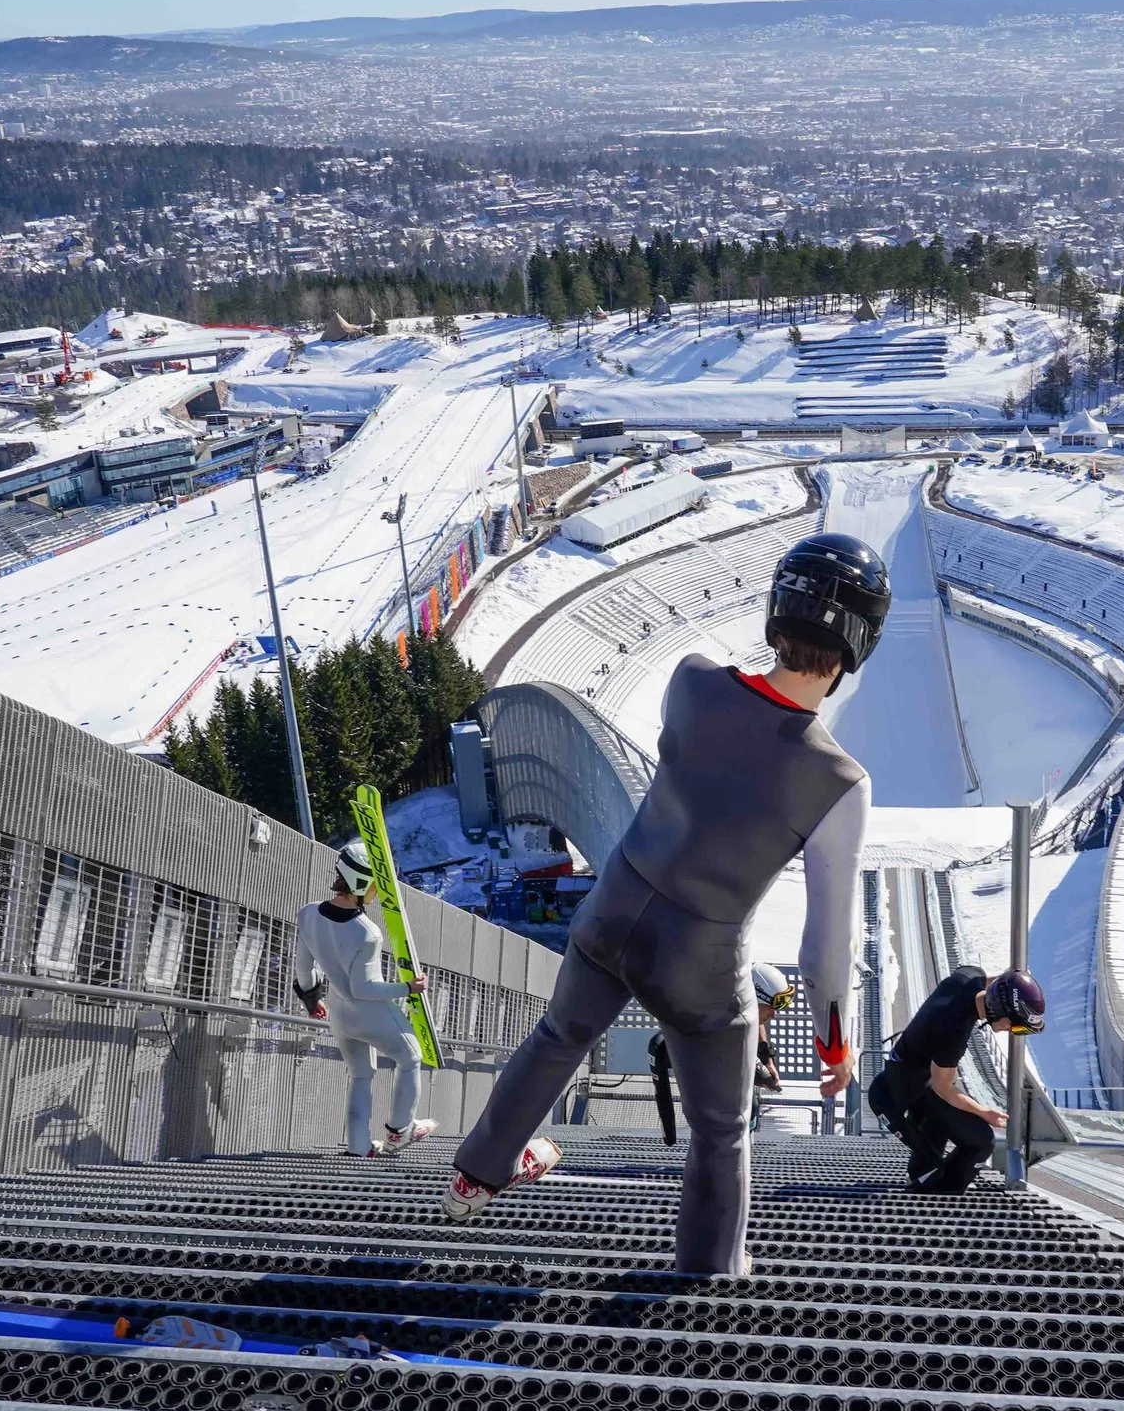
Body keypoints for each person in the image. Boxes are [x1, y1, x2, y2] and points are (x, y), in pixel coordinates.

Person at [445, 533, 889, 1273]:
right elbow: (825, 946)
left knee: (559, 1034)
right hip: (703, 959)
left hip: (614, 908)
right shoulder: (843, 781)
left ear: (779, 610)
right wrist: (835, 1044)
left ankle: (475, 1175)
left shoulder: (691, 677)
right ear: (858, 647)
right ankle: (708, 1274)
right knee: (721, 1130)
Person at [296, 839, 436, 1159]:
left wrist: (312, 1001)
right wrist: (408, 988)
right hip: (367, 1011)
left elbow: (303, 969)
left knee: (360, 1075)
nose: (377, 894)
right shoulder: (366, 931)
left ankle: (358, 1147)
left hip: (338, 1014)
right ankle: (401, 1130)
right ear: (362, 882)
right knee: (411, 1057)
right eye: (375, 886)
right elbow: (365, 988)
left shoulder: (307, 915)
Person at [872, 966, 1047, 1193]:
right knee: (981, 1141)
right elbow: (943, 1088)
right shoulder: (954, 1028)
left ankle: (923, 1179)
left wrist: (1016, 981)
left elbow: (995, 982)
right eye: (1014, 1025)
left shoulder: (969, 978)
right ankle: (943, 1195)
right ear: (999, 1013)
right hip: (910, 1085)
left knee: (938, 1134)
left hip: (905, 1071)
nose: (1011, 1031)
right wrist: (984, 1113)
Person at [749, 963, 796, 1131]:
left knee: (750, 1108)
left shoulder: (745, 1004)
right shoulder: (718, 1010)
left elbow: (755, 1017)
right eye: (772, 1006)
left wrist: (766, 1058)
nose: (774, 1014)